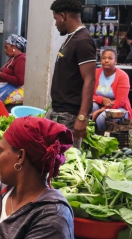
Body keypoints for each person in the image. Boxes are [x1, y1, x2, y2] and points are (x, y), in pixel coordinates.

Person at [47, 0, 96, 142]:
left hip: (70, 114)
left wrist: (82, 116)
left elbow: (89, 79)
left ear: (63, 16)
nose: (56, 24)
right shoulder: (72, 38)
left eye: (56, 19)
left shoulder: (83, 41)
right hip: (58, 110)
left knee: (66, 161)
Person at [92, 49, 132, 132]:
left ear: (115, 61)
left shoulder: (122, 76)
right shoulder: (96, 73)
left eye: (110, 58)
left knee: (101, 118)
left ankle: (103, 137)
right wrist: (102, 99)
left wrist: (100, 110)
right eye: (104, 58)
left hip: (119, 108)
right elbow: (89, 94)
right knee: (91, 106)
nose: (106, 60)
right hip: (100, 104)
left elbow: (120, 101)